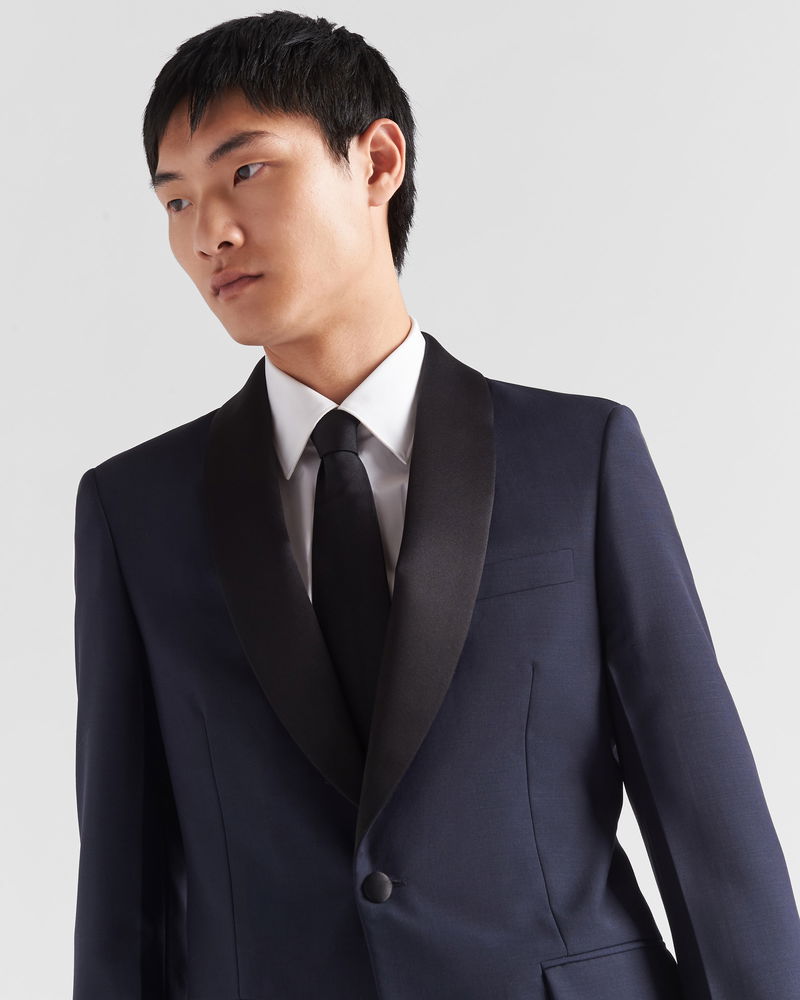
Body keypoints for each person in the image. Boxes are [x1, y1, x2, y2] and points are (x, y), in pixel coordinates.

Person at [71, 11, 800, 1000]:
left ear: (376, 162)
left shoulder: (576, 460)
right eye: (175, 200)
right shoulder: (136, 512)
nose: (210, 233)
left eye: (245, 171)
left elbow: (707, 827)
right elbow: (125, 896)